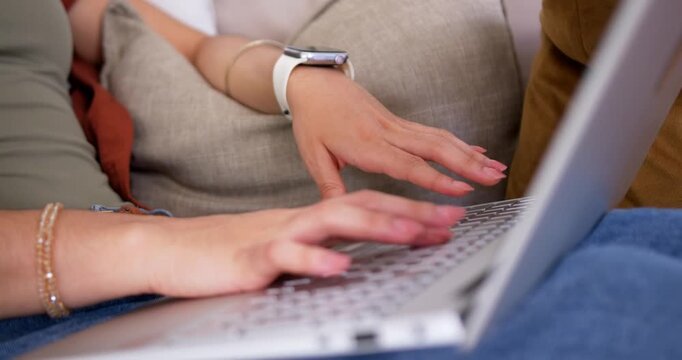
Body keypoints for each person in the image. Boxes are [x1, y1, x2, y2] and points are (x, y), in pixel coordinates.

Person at [0, 0, 503, 328]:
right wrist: (160, 247)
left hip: (143, 279)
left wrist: (298, 78)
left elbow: (196, 47)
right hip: (41, 315)